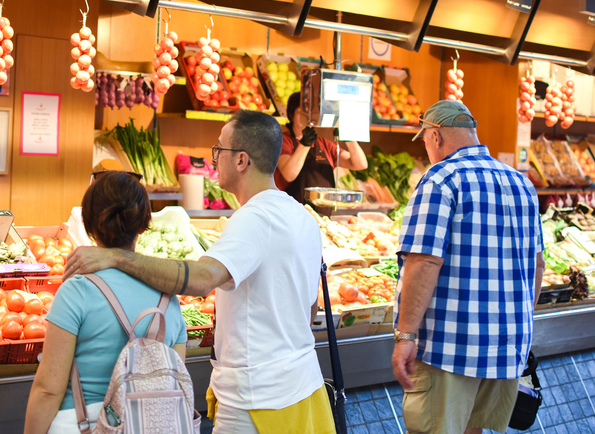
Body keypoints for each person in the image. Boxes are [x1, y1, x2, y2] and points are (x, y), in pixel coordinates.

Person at [65, 110, 335, 434]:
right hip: (304, 387)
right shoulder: (300, 215)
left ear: (241, 160)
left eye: (218, 150)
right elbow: (310, 308)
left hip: (257, 402)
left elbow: (202, 279)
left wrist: (118, 259)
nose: (214, 158)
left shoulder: (254, 219)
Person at [391, 100, 544, 434]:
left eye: (426, 141)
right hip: (506, 350)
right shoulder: (522, 183)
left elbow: (424, 261)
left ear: (435, 137)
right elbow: (537, 264)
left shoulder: (440, 180)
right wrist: (521, 326)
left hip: (450, 349)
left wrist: (406, 335)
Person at [24, 171, 188, 434]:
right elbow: (174, 380)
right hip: (148, 424)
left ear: (88, 226)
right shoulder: (168, 299)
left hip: (81, 424)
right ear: (144, 224)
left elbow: (47, 390)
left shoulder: (76, 291)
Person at [274, 92, 368, 211]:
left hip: (322, 218)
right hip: (292, 215)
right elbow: (289, 174)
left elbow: (360, 164)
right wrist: (305, 144)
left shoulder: (324, 144)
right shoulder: (282, 141)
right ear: (291, 115)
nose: (307, 118)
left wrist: (348, 136)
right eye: (302, 113)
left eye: (311, 114)